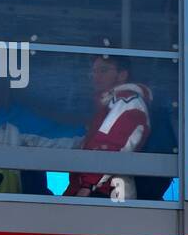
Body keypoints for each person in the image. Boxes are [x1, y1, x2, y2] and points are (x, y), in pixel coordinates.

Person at [64, 55, 152, 200]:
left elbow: (111, 146)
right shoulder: (107, 105)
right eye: (93, 71)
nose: (96, 76)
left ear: (122, 75)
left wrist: (87, 185)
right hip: (97, 190)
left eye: (103, 70)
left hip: (109, 193)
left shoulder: (128, 101)